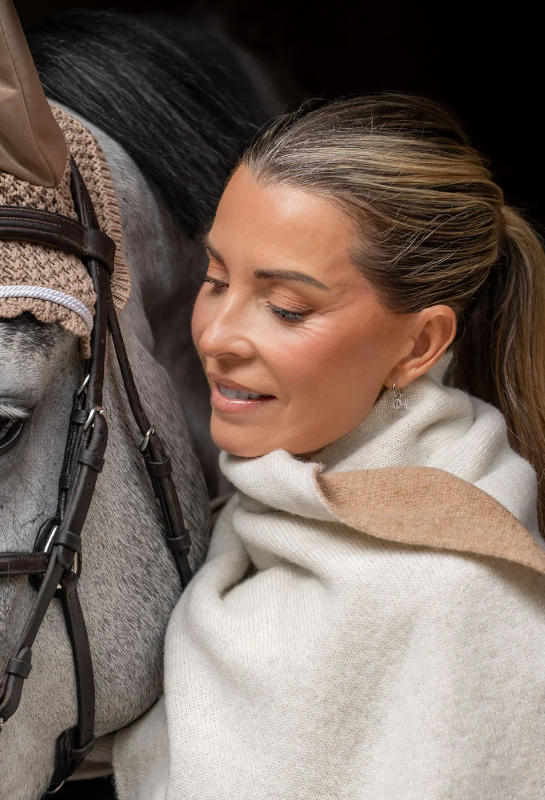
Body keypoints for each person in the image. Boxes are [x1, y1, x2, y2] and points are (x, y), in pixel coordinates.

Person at [112, 94, 545, 799]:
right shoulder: (247, 520)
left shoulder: (461, 596)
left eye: (287, 308)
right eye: (215, 280)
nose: (217, 336)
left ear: (420, 345)